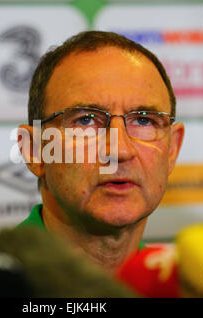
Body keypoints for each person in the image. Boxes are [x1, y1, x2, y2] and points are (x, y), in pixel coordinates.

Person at [17, 31, 185, 273]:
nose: (119, 150)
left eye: (144, 121)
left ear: (172, 150)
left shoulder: (180, 287)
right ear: (34, 150)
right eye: (85, 121)